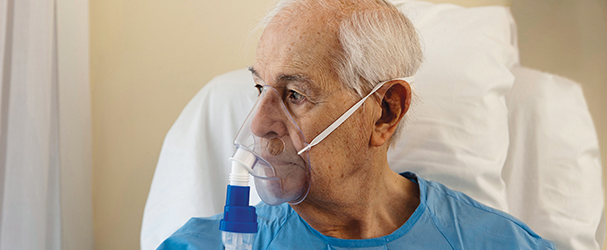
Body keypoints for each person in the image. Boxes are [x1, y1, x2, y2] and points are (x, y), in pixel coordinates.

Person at [158, 0, 556, 249]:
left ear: (385, 112)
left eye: (295, 94)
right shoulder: (204, 244)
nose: (260, 124)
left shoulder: (499, 243)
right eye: (260, 87)